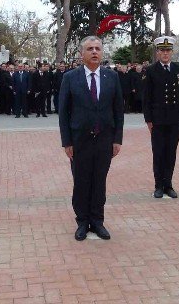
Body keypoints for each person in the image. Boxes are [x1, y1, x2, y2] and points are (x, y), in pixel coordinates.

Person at [58, 35, 124, 241]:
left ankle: (97, 221)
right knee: (81, 182)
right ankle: (82, 222)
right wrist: (67, 142)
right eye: (90, 49)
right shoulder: (70, 78)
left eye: (97, 48)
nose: (94, 52)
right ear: (81, 53)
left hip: (104, 139)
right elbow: (63, 112)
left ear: (102, 52)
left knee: (99, 181)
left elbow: (118, 111)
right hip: (79, 141)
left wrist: (117, 139)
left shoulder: (111, 77)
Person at [142, 36, 179, 199]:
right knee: (159, 152)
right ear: (158, 52)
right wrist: (148, 120)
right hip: (158, 120)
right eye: (162, 50)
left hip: (175, 119)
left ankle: (168, 184)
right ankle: (158, 186)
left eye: (168, 50)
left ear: (172, 52)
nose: (165, 53)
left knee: (171, 152)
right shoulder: (151, 70)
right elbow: (146, 98)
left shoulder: (178, 69)